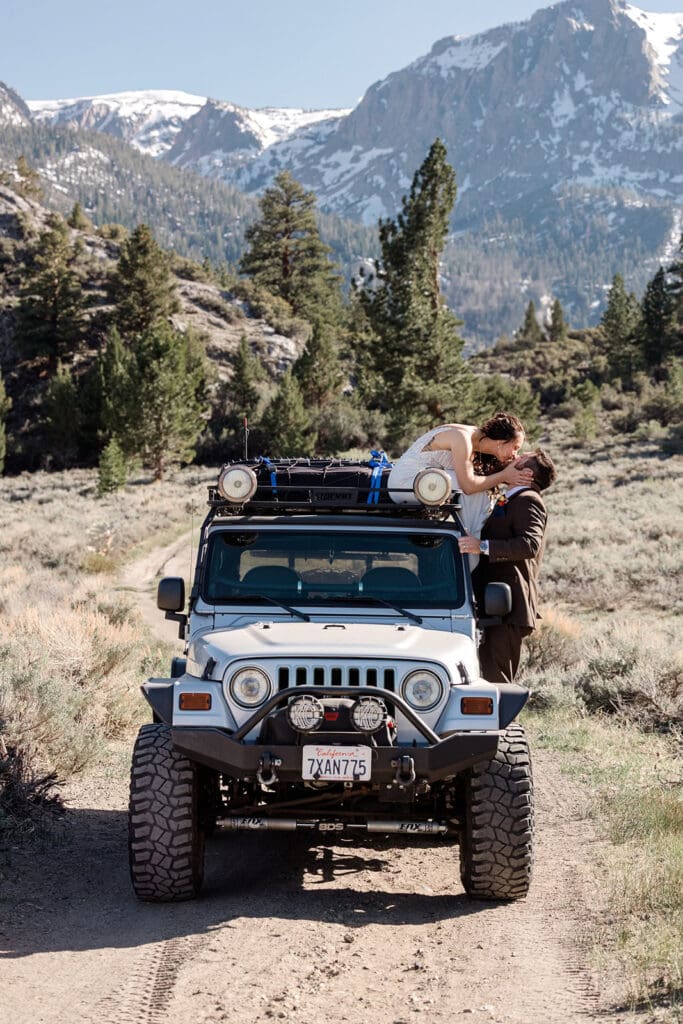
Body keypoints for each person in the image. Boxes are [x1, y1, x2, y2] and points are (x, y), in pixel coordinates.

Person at [458, 448, 557, 684]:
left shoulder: (528, 500)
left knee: (497, 678)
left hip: (508, 605)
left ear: (527, 475)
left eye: (521, 458)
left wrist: (480, 546)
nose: (515, 458)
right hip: (493, 604)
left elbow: (529, 544)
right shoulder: (510, 498)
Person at [388, 412, 534, 542]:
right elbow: (468, 486)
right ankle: (472, 547)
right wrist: (504, 475)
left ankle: (472, 541)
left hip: (426, 482)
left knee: (480, 489)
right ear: (501, 442)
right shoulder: (463, 438)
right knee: (477, 490)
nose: (515, 454)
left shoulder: (476, 442)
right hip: (405, 483)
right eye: (515, 448)